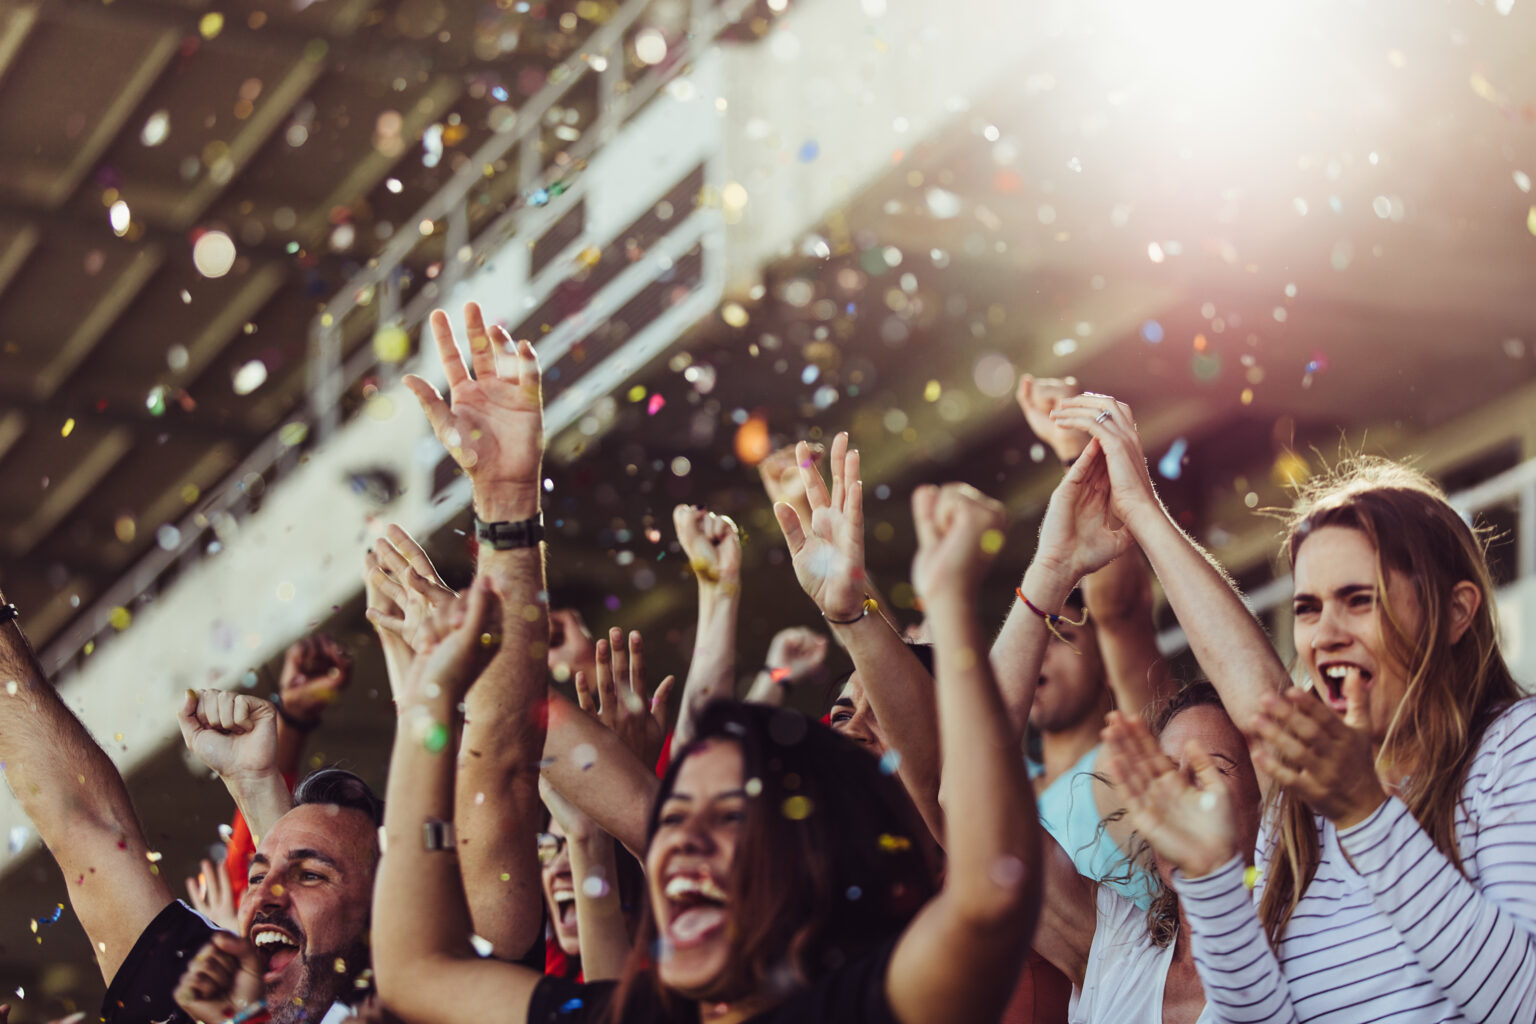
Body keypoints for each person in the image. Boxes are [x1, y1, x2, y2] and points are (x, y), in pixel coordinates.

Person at [371, 479, 1043, 1024]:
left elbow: (988, 885)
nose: (680, 840)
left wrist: (944, 603)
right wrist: (507, 509)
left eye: (728, 818)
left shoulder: (856, 1003)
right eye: (674, 818)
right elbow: (416, 972)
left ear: (808, 857)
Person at [1057, 393, 1536, 1023]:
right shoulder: (1302, 808)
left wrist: (1367, 813)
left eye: (1358, 600)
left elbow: (1523, 1003)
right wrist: (1209, 879)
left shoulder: (1515, 746)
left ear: (1456, 611)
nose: (1325, 634)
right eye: (1308, 607)